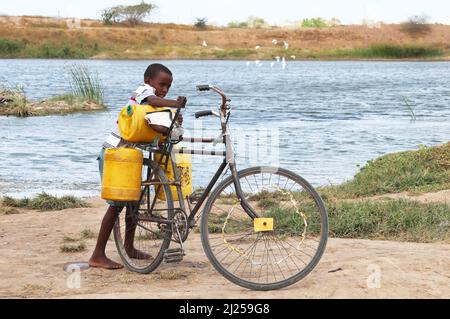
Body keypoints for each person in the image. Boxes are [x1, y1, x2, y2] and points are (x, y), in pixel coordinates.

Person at [89, 63, 187, 270]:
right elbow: (153, 99)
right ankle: (97, 254)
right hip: (113, 154)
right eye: (161, 84)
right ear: (148, 81)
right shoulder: (143, 93)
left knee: (133, 201)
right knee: (117, 205)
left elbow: (154, 132)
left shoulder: (154, 109)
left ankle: (129, 246)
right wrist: (173, 103)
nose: (164, 89)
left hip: (129, 157)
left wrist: (173, 121)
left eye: (168, 87)